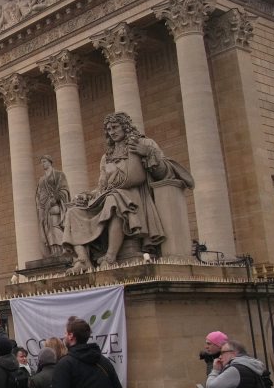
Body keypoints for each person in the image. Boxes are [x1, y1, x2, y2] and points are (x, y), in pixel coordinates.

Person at [63, 112, 192, 273]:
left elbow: (165, 173)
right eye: (109, 129)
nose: (112, 131)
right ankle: (83, 260)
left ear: (125, 126)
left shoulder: (144, 144)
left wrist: (147, 153)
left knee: (113, 199)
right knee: (73, 211)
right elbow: (102, 187)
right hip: (109, 196)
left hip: (136, 197)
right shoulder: (107, 157)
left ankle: (110, 257)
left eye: (115, 127)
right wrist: (87, 195)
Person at [36, 155, 71, 257]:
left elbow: (64, 189)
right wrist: (40, 206)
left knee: (55, 224)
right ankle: (53, 250)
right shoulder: (41, 179)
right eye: (42, 162)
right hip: (44, 207)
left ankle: (61, 248)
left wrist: (56, 198)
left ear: (50, 162)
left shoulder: (58, 174)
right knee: (47, 228)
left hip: (55, 205)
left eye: (45, 161)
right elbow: (39, 194)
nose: (43, 164)